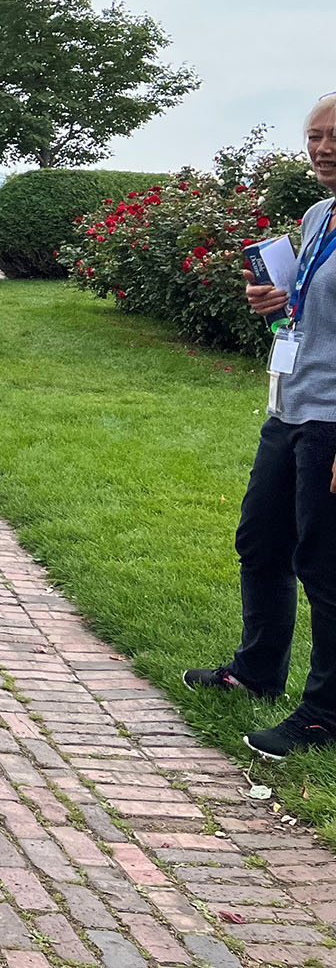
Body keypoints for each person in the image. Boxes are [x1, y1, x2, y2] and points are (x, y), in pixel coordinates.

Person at [185, 93, 336, 760]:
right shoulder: (319, 215)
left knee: (325, 566)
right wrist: (275, 304)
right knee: (261, 542)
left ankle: (324, 713)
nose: (323, 148)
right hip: (290, 404)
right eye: (314, 137)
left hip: (332, 420)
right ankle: (256, 671)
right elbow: (304, 319)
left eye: (334, 136)